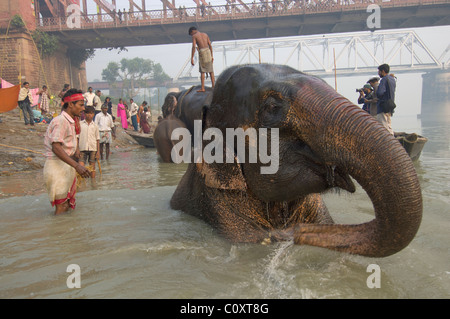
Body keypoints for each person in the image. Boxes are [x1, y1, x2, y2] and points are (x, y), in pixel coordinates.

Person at [43, 89, 91, 215]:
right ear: (70, 104)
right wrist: (77, 166)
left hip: (66, 165)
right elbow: (56, 147)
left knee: (67, 205)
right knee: (62, 206)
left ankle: (67, 232)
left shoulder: (71, 121)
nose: (83, 109)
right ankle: (59, 233)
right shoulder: (61, 121)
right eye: (80, 105)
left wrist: (77, 159)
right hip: (56, 167)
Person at [189, 26, 215, 92]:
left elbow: (193, 47)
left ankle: (202, 88)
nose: (192, 35)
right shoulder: (205, 34)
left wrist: (191, 58)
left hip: (202, 52)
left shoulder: (194, 36)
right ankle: (213, 86)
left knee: (202, 71)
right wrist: (212, 56)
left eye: (191, 34)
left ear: (192, 31)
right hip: (208, 51)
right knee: (211, 70)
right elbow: (210, 45)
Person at [78, 106, 100, 178]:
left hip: (93, 148)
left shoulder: (95, 126)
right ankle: (82, 183)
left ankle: (93, 183)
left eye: (91, 113)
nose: (89, 115)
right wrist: (77, 149)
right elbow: (77, 137)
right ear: (84, 114)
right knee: (81, 167)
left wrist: (98, 152)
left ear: (93, 114)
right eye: (87, 113)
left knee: (92, 167)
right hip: (82, 148)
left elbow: (97, 139)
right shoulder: (80, 124)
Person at [376, 64, 396, 135]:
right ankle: (392, 141)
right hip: (390, 105)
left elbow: (380, 93)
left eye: (379, 71)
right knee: (389, 126)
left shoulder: (384, 79)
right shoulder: (392, 79)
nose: (378, 73)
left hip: (383, 106)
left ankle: (387, 144)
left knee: (383, 127)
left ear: (383, 71)